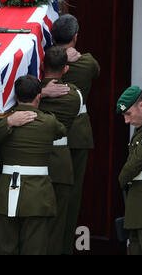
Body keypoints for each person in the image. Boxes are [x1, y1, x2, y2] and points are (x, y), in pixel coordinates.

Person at [0, 75, 66, 254]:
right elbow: (61, 131)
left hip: (6, 192)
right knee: (35, 249)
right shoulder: (49, 122)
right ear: (38, 96)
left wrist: (7, 122)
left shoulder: (4, 122)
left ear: (16, 97)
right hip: (38, 195)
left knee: (4, 248)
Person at [51, 14, 101, 254]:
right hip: (77, 135)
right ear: (75, 37)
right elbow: (95, 69)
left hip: (48, 133)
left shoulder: (45, 62)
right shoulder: (87, 63)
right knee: (70, 198)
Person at [38, 46, 82, 255]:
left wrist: (40, 91)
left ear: (41, 66)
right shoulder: (74, 95)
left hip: (35, 161)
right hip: (61, 164)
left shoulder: (29, 92)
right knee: (56, 227)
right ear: (65, 69)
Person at [116, 86, 142, 255]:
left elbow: (138, 159)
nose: (126, 121)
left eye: (128, 114)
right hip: (138, 202)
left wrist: (121, 178)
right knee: (135, 248)